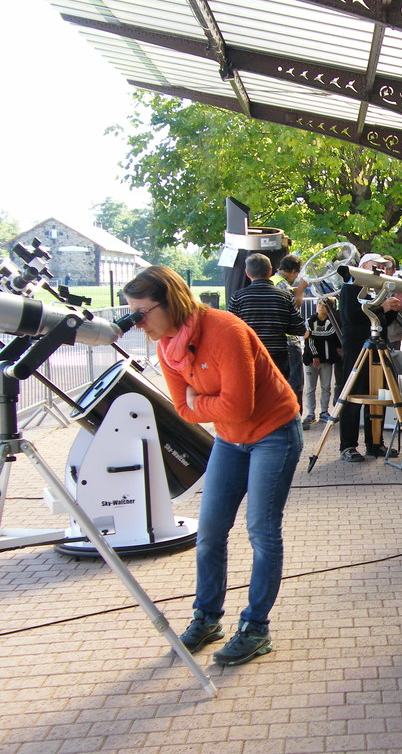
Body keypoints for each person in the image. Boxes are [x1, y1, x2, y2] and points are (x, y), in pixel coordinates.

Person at [122, 266, 303, 666]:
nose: (137, 324)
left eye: (141, 313)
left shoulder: (224, 330)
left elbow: (234, 406)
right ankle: (207, 618)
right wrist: (206, 406)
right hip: (229, 438)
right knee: (210, 532)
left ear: (170, 302)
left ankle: (256, 628)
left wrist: (201, 404)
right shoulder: (167, 346)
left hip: (273, 432)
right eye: (131, 314)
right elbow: (183, 411)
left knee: (261, 531)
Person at [337, 252, 402, 462]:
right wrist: (382, 307)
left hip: (377, 346)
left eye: (384, 266)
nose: (381, 270)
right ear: (364, 266)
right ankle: (348, 446)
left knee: (380, 395)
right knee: (352, 396)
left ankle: (375, 443)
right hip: (357, 348)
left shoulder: (378, 289)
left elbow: (380, 320)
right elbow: (353, 317)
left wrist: (391, 309)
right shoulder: (350, 287)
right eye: (377, 266)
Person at [227, 253, 306, 382]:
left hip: (250, 355)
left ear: (247, 273)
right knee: (277, 395)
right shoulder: (285, 297)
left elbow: (231, 330)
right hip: (278, 357)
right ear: (270, 271)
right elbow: (299, 329)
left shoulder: (238, 297)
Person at [272, 254, 310, 406]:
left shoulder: (273, 281)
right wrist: (300, 290)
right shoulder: (283, 285)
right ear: (294, 272)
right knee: (295, 381)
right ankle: (295, 415)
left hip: (275, 339)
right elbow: (294, 307)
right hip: (288, 340)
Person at [302, 295, 341, 428]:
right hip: (310, 359)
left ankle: (324, 411)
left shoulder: (332, 322)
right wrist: (314, 355)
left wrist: (312, 334)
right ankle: (310, 413)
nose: (320, 306)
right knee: (310, 388)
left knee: (326, 386)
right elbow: (308, 339)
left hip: (327, 359)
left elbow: (330, 334)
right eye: (318, 303)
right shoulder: (309, 321)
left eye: (324, 304)